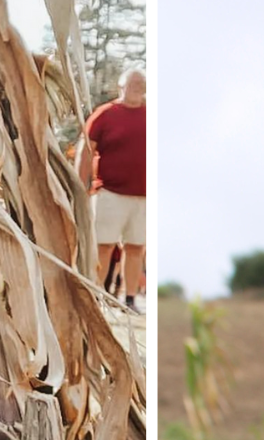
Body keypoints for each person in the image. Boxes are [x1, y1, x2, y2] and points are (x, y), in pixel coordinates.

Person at [76, 68, 146, 311]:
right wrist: (80, 186)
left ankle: (129, 299)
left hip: (144, 197)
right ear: (121, 86)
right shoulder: (105, 115)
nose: (137, 87)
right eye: (133, 83)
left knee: (136, 247)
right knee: (104, 245)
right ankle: (96, 294)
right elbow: (86, 150)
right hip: (110, 193)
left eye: (141, 83)